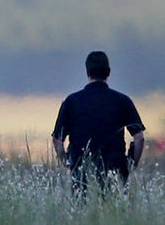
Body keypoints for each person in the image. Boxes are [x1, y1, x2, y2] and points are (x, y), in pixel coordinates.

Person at [52, 51, 145, 199]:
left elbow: (58, 139)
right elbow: (139, 137)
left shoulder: (72, 101)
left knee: (82, 212)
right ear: (108, 72)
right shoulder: (123, 101)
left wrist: (68, 163)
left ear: (87, 72)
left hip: (81, 169)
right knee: (115, 213)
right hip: (115, 167)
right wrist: (131, 164)